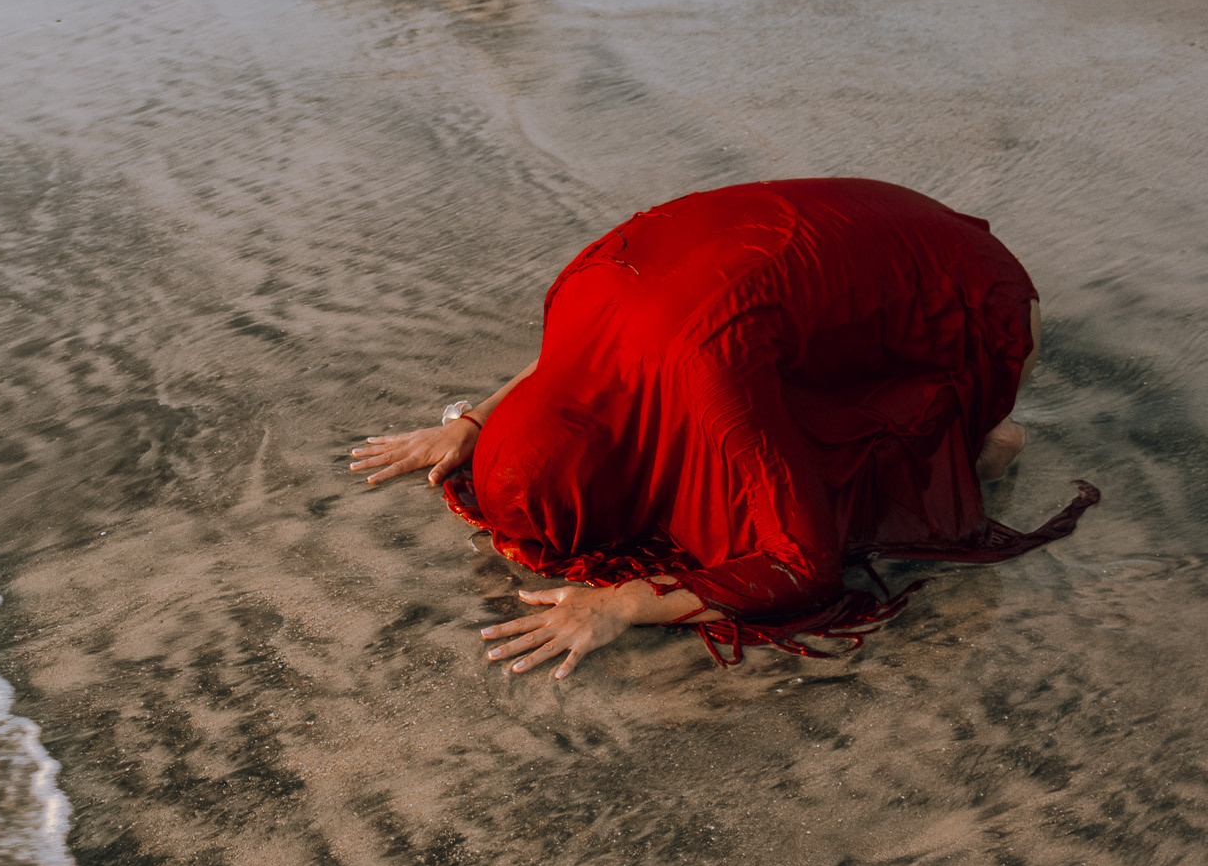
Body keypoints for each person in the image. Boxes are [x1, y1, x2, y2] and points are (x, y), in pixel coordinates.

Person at [349, 178, 1098, 678]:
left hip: (983, 308)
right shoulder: (579, 288)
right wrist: (479, 422)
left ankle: (971, 435)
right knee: (753, 407)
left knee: (869, 495)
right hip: (898, 231)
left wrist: (625, 601)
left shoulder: (711, 384)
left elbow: (803, 564)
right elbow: (566, 370)